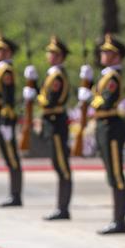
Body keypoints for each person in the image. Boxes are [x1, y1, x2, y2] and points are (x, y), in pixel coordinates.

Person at [79, 34, 125, 235]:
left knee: (116, 175)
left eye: (107, 52)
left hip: (111, 127)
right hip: (103, 126)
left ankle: (119, 221)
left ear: (116, 56)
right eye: (102, 51)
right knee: (111, 174)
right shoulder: (106, 75)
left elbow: (106, 101)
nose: (102, 54)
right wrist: (89, 83)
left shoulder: (113, 78)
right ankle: (116, 219)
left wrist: (89, 95)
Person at [24, 36, 72, 220]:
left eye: (53, 53)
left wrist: (35, 93)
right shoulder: (52, 74)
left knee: (62, 167)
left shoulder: (58, 76)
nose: (49, 55)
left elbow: (50, 101)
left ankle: (63, 208)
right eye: (49, 52)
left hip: (56, 123)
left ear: (60, 56)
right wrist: (34, 84)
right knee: (58, 166)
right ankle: (61, 207)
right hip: (51, 123)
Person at [0, 34, 22, 207]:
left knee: (12, 157)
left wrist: (6, 120)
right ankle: (13, 194)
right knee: (8, 158)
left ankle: (16, 195)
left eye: (0, 49)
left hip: (5, 117)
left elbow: (8, 97)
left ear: (8, 52)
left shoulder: (6, 71)